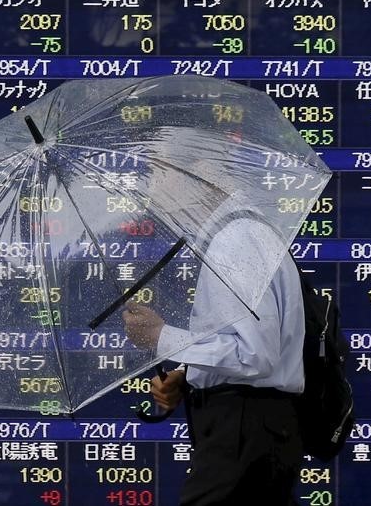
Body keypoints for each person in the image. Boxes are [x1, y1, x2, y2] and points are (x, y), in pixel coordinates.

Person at [123, 206, 305, 506]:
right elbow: (253, 345)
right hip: (252, 428)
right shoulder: (239, 233)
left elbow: (255, 355)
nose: (149, 179)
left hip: (243, 429)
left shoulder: (235, 239)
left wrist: (161, 336)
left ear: (196, 169)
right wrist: (189, 377)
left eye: (157, 167)